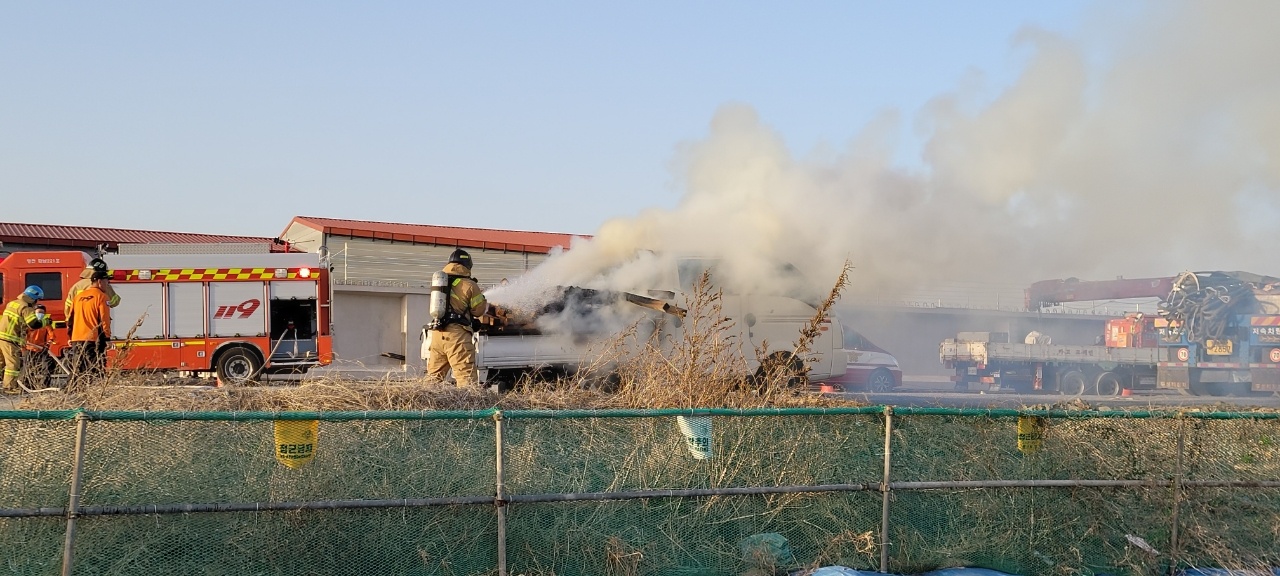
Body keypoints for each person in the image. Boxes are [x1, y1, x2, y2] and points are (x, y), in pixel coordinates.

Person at [424, 249, 488, 388]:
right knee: (466, 380)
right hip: (457, 337)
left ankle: (424, 407)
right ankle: (467, 409)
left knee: (433, 379)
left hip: (437, 333)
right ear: (467, 265)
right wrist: (483, 299)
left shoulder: (442, 282)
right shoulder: (469, 285)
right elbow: (479, 311)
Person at [68, 273, 113, 385]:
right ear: (99, 281)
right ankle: (96, 391)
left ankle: (72, 391)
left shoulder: (78, 297)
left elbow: (70, 319)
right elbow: (104, 320)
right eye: (107, 281)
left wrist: (70, 336)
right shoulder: (102, 297)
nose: (108, 284)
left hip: (76, 338)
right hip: (93, 339)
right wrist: (107, 338)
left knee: (78, 368)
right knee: (95, 367)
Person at [0, 286, 45, 394]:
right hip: (10, 338)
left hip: (1, 336)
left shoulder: (13, 303)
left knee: (1, 363)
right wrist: (45, 322)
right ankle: (9, 388)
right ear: (33, 298)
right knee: (13, 364)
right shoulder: (26, 307)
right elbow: (33, 324)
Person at [65, 257, 120, 339]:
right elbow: (114, 302)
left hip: (78, 331)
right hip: (96, 330)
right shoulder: (102, 285)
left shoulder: (76, 286)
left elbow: (68, 309)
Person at [23, 304, 58, 389]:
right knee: (28, 367)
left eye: (42, 312)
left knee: (47, 366)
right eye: (39, 312)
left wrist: (48, 344)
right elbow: (23, 334)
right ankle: (27, 385)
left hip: (42, 349)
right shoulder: (29, 323)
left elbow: (52, 335)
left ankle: (45, 385)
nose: (40, 314)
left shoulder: (45, 323)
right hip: (29, 348)